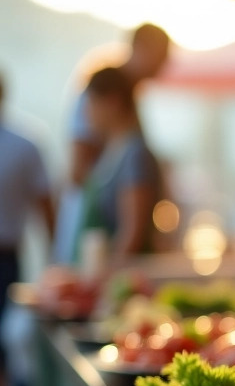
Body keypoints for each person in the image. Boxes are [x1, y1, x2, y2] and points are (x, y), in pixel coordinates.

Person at [55, 24, 170, 264]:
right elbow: (77, 173)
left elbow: (132, 230)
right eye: (161, 56)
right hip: (94, 239)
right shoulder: (103, 95)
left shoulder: (130, 143)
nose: (164, 65)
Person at [0, 72, 55, 386]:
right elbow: (47, 216)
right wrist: (56, 265)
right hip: (7, 262)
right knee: (17, 368)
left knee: (18, 365)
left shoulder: (25, 144)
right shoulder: (25, 144)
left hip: (9, 262)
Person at [77, 67, 163, 262]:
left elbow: (132, 234)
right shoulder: (111, 150)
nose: (86, 113)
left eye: (91, 103)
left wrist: (104, 276)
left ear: (112, 102)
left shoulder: (134, 154)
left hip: (126, 278)